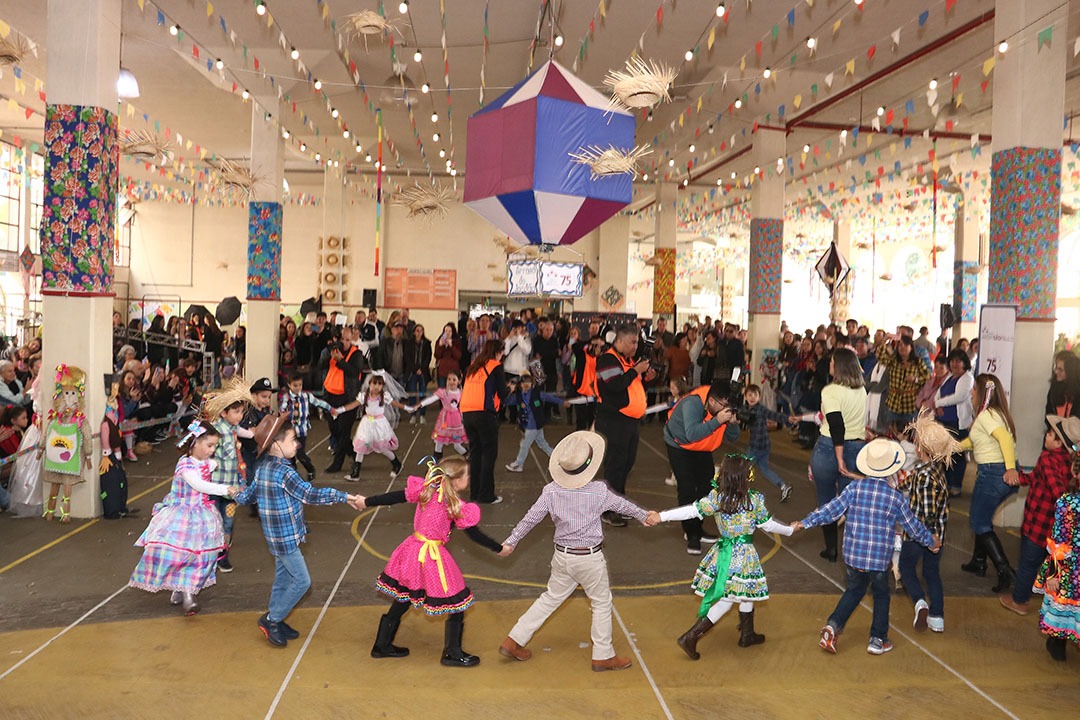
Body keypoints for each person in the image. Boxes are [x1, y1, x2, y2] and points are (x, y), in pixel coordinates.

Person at [498, 432, 657, 671]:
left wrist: (511, 541)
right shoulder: (599, 491)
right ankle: (603, 655)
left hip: (562, 557)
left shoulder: (551, 491)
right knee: (601, 603)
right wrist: (644, 516)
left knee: (550, 598)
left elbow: (530, 519)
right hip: (589, 558)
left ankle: (514, 640)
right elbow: (623, 506)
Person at [795, 438, 941, 655]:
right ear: (891, 468)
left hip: (853, 556)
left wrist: (805, 522)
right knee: (881, 594)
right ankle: (878, 639)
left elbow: (830, 510)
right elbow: (913, 528)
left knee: (854, 590)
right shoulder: (895, 498)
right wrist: (931, 542)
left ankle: (832, 626)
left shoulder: (854, 489)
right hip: (879, 560)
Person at [360, 456, 504, 666]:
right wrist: (499, 548)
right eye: (467, 475)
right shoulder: (454, 504)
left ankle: (382, 644)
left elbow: (394, 497)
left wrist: (366, 501)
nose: (469, 478)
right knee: (456, 598)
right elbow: (475, 535)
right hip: (431, 556)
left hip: (412, 550)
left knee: (405, 595)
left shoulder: (427, 491)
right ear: (456, 480)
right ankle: (453, 653)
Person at [233, 418, 361, 647]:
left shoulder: (262, 469)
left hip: (275, 538)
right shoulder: (285, 472)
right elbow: (310, 494)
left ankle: (276, 618)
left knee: (283, 579)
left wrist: (234, 492)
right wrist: (344, 496)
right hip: (285, 539)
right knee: (302, 582)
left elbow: (247, 497)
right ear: (276, 444)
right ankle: (271, 619)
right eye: (292, 440)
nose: (297, 444)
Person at [657, 455, 794, 659]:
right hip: (743, 556)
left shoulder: (717, 497)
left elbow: (691, 511)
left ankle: (747, 634)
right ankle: (690, 637)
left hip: (723, 552)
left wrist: (661, 516)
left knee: (744, 591)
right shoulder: (753, 500)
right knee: (727, 600)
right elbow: (768, 525)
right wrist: (790, 530)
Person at [129, 421, 240, 615]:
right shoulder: (185, 465)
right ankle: (185, 594)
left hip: (202, 515)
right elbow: (199, 485)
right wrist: (225, 489)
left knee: (200, 555)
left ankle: (184, 590)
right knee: (181, 554)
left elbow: (214, 463)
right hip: (183, 515)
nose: (212, 450)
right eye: (209, 445)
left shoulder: (206, 462)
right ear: (195, 443)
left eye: (215, 446)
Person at [999, 418, 1073, 616]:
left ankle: (1019, 601)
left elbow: (1058, 492)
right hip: (1054, 529)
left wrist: (1067, 505)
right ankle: (1056, 604)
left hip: (1038, 525)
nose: (1046, 436)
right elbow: (1037, 477)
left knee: (1027, 564)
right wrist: (1020, 478)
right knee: (1053, 565)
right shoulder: (1068, 461)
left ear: (1059, 443)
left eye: (1050, 434)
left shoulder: (1048, 458)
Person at [894, 412, 959, 633]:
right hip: (936, 534)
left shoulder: (924, 477)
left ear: (921, 448)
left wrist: (929, 537)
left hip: (919, 534)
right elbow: (906, 485)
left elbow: (929, 511)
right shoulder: (934, 471)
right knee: (931, 573)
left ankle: (920, 602)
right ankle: (937, 616)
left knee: (906, 568)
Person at [957, 374, 1020, 593]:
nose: (971, 392)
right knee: (981, 517)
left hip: (994, 473)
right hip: (993, 472)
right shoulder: (993, 413)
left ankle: (1005, 571)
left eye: (974, 389)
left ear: (983, 393)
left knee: (979, 522)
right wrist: (953, 447)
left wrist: (1010, 468)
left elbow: (1004, 438)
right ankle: (978, 561)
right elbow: (975, 440)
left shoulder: (987, 416)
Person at [663, 380, 739, 553]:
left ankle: (698, 526)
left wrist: (733, 423)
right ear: (711, 401)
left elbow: (732, 438)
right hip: (679, 445)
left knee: (706, 486)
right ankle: (691, 533)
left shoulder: (719, 408)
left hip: (701, 447)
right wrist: (717, 420)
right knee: (687, 487)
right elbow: (692, 434)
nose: (726, 410)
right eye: (723, 406)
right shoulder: (693, 403)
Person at [808, 347, 868, 562]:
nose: (830, 365)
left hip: (830, 448)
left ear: (840, 366)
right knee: (851, 502)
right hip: (857, 448)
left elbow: (836, 425)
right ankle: (854, 551)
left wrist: (839, 458)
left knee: (826, 500)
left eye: (833, 362)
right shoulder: (861, 390)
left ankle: (831, 549)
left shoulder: (830, 391)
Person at [594, 325, 654, 527]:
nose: (635, 347)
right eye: (632, 342)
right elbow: (615, 385)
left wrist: (646, 378)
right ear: (619, 341)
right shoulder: (608, 359)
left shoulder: (627, 361)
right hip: (614, 420)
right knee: (615, 465)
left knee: (627, 463)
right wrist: (635, 371)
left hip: (629, 421)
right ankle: (608, 510)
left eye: (637, 342)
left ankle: (618, 504)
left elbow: (632, 387)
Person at [1034, 416, 1080, 662]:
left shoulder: (1067, 503)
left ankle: (1058, 646)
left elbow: (1059, 542)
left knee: (1064, 612)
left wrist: (1053, 573)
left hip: (1070, 571)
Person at [203, 378, 255, 573]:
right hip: (215, 488)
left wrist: (255, 434)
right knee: (213, 523)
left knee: (229, 523)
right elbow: (204, 451)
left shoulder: (233, 429)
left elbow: (242, 431)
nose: (240, 416)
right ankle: (210, 556)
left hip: (231, 490)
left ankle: (223, 557)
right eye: (236, 412)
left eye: (241, 412)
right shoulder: (215, 430)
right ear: (224, 413)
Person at [40, 364, 93, 524]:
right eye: (66, 393)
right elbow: (47, 433)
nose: (69, 398)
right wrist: (41, 447)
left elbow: (87, 435)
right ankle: (50, 511)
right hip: (54, 458)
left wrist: (88, 453)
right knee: (54, 483)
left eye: (72, 393)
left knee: (67, 485)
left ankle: (66, 513)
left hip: (71, 458)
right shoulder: (55, 418)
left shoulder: (80, 420)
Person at [333, 371, 408, 481]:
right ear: (370, 384)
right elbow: (353, 405)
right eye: (374, 383)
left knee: (382, 448)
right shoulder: (364, 396)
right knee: (361, 446)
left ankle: (397, 464)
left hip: (379, 425)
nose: (376, 386)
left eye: (379, 384)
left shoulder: (384, 396)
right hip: (367, 424)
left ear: (383, 386)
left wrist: (408, 408)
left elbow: (395, 404)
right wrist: (340, 410)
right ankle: (355, 473)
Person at [460, 340, 508, 504]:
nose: (502, 356)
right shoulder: (496, 366)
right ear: (497, 352)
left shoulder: (473, 366)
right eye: (502, 352)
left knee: (475, 453)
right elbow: (502, 393)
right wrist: (510, 388)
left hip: (467, 413)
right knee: (489, 454)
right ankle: (486, 494)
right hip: (484, 414)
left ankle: (475, 493)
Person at [503, 373, 568, 473]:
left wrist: (562, 402)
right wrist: (509, 392)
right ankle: (558, 459)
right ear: (520, 385)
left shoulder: (536, 394)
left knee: (525, 444)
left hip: (533, 424)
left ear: (532, 384)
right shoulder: (518, 396)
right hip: (529, 424)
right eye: (524, 383)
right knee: (542, 444)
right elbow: (506, 402)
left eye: (529, 383)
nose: (526, 385)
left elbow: (549, 398)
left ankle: (519, 464)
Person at [742, 383, 793, 503]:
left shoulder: (760, 409)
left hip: (756, 447)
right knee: (764, 469)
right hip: (765, 445)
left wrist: (787, 418)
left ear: (759, 397)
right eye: (750, 395)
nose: (752, 398)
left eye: (755, 395)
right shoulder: (746, 410)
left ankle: (739, 492)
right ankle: (783, 486)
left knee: (743, 468)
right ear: (745, 397)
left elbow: (773, 415)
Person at [934, 349, 975, 498]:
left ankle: (956, 486)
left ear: (964, 363)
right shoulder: (950, 377)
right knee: (945, 455)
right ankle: (947, 484)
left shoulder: (967, 378)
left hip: (957, 423)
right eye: (952, 361)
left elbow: (959, 397)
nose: (954, 364)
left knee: (957, 455)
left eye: (958, 361)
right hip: (943, 422)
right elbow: (938, 393)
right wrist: (937, 404)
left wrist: (939, 403)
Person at [279, 371, 333, 481]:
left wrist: (330, 408)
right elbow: (282, 410)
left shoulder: (306, 396)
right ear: (289, 385)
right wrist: (284, 414)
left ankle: (310, 469)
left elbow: (318, 402)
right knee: (290, 455)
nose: (298, 388)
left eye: (300, 385)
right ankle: (293, 475)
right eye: (295, 385)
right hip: (290, 431)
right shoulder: (287, 397)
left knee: (300, 454)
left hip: (301, 431)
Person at [323, 337, 364, 473]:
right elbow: (320, 366)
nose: (343, 342)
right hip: (330, 396)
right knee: (334, 429)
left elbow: (354, 372)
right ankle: (352, 452)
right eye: (341, 339)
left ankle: (337, 464)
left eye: (347, 339)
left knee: (344, 431)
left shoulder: (356, 354)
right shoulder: (332, 352)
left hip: (347, 397)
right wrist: (328, 353)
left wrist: (340, 360)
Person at [411, 369, 468, 459]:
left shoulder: (461, 393)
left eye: (454, 380)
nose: (451, 382)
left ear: (459, 381)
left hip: (456, 423)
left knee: (457, 445)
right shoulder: (443, 392)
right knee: (439, 441)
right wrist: (420, 405)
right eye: (449, 379)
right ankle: (436, 463)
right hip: (444, 422)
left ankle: (469, 457)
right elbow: (431, 399)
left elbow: (465, 406)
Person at [878, 335, 930, 429]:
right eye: (900, 345)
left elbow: (928, 377)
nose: (902, 347)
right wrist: (885, 340)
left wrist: (915, 379)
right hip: (893, 404)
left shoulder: (918, 361)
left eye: (905, 345)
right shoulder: (893, 361)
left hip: (910, 404)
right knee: (892, 432)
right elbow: (880, 356)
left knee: (911, 432)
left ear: (911, 347)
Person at [570, 332, 604, 431]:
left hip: (595, 395)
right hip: (581, 393)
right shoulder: (582, 354)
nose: (597, 348)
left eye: (600, 346)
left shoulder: (602, 358)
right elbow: (574, 346)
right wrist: (590, 342)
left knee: (593, 423)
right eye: (596, 346)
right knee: (581, 423)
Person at [405, 324, 433, 424]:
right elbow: (407, 357)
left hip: (423, 372)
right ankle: (413, 414)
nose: (419, 332)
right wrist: (415, 369)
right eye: (417, 330)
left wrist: (422, 368)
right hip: (412, 372)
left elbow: (428, 357)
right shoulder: (409, 343)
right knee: (412, 394)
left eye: (421, 331)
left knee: (423, 394)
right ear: (414, 332)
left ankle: (422, 415)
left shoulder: (427, 343)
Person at [1046, 351, 1080, 420]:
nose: (1056, 372)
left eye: (1060, 370)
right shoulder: (1054, 389)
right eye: (1056, 368)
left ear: (1070, 371)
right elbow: (1048, 414)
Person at [434, 323, 463, 389]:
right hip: (442, 371)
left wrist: (451, 346)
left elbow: (458, 356)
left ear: (452, 332)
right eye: (446, 331)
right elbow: (437, 355)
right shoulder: (439, 341)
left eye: (449, 331)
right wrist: (440, 346)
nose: (447, 333)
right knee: (442, 390)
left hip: (453, 371)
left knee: (452, 391)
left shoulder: (457, 342)